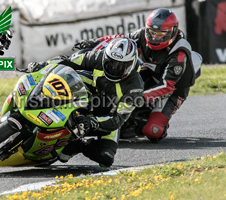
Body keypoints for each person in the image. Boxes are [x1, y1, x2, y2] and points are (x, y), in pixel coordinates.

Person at [72, 8, 202, 142]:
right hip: (150, 75)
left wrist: (134, 98)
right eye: (152, 32)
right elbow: (120, 39)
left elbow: (166, 86)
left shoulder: (178, 53)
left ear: (173, 32)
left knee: (152, 131)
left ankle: (146, 123)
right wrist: (95, 42)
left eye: (161, 34)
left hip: (172, 91)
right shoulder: (142, 34)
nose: (155, 38)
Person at [27, 38, 144, 167]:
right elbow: (69, 61)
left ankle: (78, 145)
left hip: (106, 117)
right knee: (63, 75)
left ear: (131, 65)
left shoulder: (135, 88)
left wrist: (92, 122)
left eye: (120, 66)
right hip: (87, 95)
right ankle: (38, 102)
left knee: (105, 158)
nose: (113, 68)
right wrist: (44, 65)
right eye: (110, 62)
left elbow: (118, 120)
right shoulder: (99, 56)